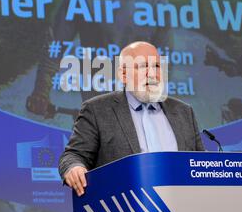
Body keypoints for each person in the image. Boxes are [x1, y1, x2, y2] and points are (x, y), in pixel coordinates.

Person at [26, 0, 172, 116]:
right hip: (95, 108)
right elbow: (55, 45)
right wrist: (41, 92)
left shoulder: (157, 3)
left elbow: (163, 62)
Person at [59, 41, 205, 196]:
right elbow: (73, 155)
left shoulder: (183, 111)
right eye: (143, 67)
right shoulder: (97, 110)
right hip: (122, 210)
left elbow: (200, 161)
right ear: (123, 75)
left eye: (156, 66)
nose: (152, 74)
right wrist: (74, 167)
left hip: (182, 207)